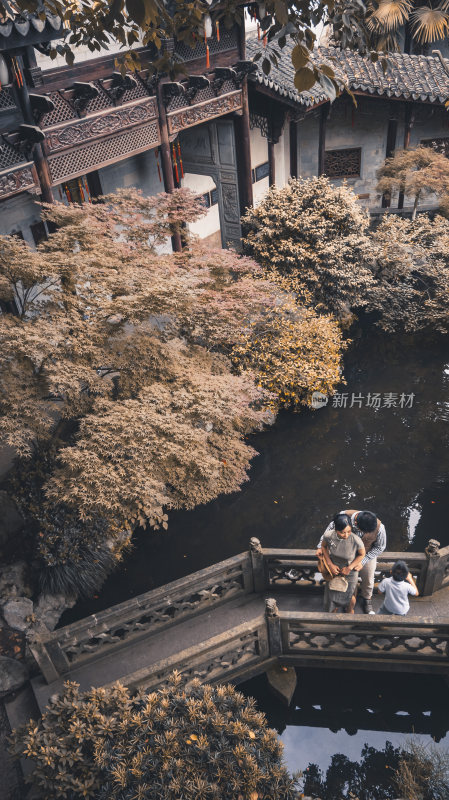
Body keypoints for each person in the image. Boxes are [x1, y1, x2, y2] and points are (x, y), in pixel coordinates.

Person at [319, 509, 387, 614]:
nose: (364, 534)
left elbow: (380, 547)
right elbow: (329, 532)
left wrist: (362, 561)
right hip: (342, 551)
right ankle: (349, 599)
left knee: (368, 577)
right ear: (355, 523)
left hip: (366, 554)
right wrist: (320, 547)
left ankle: (367, 599)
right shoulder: (343, 516)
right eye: (363, 531)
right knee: (347, 580)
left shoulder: (380, 527)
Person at [317, 513, 365, 613]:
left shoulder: (356, 540)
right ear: (336, 530)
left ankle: (349, 609)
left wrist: (350, 567)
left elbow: (362, 554)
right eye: (342, 532)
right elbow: (324, 547)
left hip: (350, 571)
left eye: (349, 531)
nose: (346, 535)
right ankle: (333, 609)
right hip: (334, 569)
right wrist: (330, 564)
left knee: (349, 594)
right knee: (332, 592)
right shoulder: (328, 535)